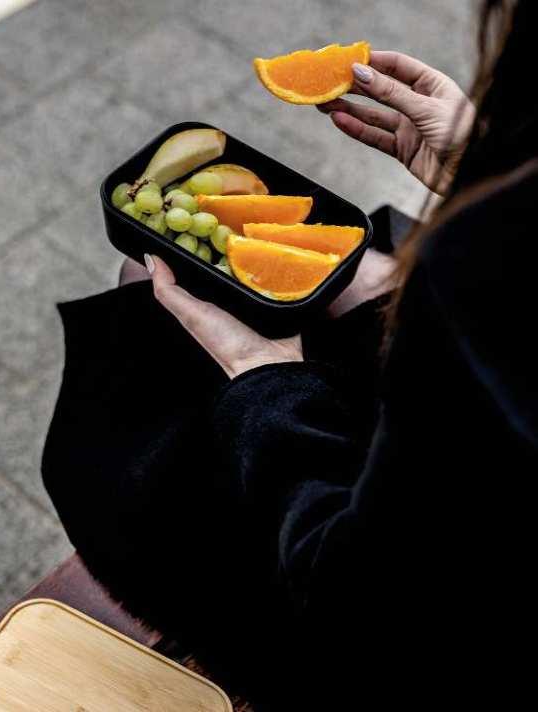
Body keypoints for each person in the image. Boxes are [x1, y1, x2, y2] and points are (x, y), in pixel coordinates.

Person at [43, 1, 537, 707]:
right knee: (349, 274)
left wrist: (264, 380)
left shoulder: (478, 267)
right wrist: (479, 163)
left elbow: (353, 592)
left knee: (143, 308)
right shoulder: (489, 256)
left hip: (394, 646)